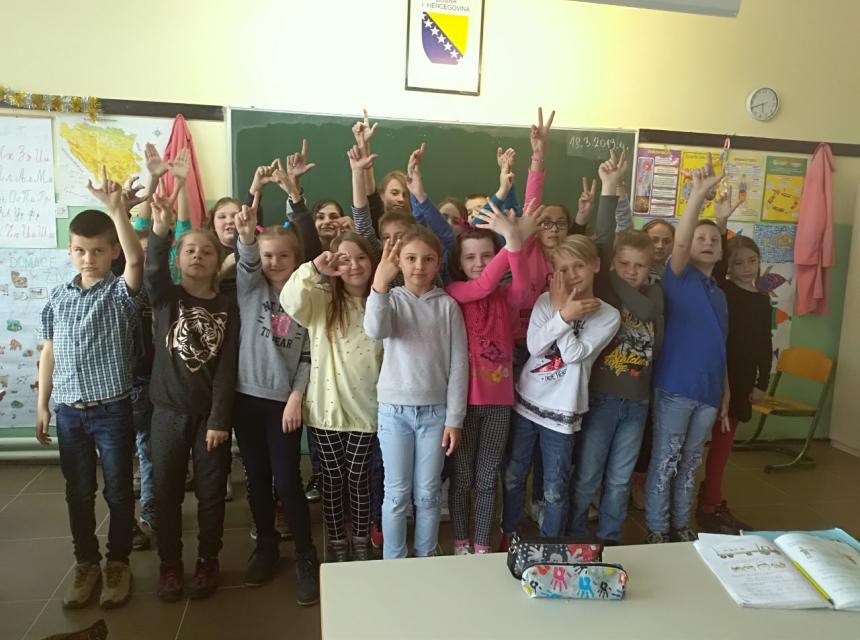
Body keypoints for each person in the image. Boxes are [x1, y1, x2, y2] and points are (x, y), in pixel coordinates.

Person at [36, 168, 144, 609]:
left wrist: (117, 211)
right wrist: (42, 405)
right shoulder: (57, 298)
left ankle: (118, 562)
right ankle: (86, 564)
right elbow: (49, 351)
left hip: (112, 410)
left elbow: (136, 262)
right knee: (77, 492)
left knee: (118, 491)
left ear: (112, 251)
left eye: (98, 251)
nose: (88, 259)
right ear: (70, 250)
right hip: (68, 412)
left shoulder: (119, 294)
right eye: (80, 251)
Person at [567, 150, 664, 545]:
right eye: (623, 264)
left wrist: (615, 275)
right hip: (604, 398)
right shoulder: (606, 287)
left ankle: (609, 538)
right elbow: (605, 237)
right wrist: (609, 188)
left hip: (637, 402)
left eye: (639, 266)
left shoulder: (653, 293)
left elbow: (647, 312)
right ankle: (576, 535)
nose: (631, 271)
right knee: (588, 474)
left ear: (650, 266)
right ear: (612, 263)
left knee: (621, 478)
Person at [146, 195, 239, 601]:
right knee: (166, 492)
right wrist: (161, 230)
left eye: (206, 251)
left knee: (211, 492)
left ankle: (207, 560)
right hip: (167, 413)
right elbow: (152, 269)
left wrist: (219, 419)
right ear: (178, 258)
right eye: (190, 250)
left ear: (218, 262)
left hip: (208, 420)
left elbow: (227, 369)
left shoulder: (227, 307)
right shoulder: (166, 298)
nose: (198, 255)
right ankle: (170, 564)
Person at [501, 235, 620, 543]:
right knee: (515, 473)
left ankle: (550, 543)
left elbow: (574, 354)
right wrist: (561, 312)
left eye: (579, 266)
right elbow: (535, 347)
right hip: (527, 403)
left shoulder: (608, 315)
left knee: (555, 487)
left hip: (563, 413)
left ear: (595, 265)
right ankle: (509, 532)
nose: (571, 275)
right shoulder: (546, 301)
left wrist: (562, 314)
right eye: (563, 269)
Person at [232, 203, 321, 603]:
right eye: (268, 256)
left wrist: (296, 397)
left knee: (286, 481)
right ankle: (266, 545)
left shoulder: (305, 298)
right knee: (256, 478)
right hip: (246, 399)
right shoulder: (250, 289)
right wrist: (247, 238)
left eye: (283, 255)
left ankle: (305, 554)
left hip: (283, 403)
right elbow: (248, 261)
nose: (274, 262)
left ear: (296, 259)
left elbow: (309, 356)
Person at [280, 224, 382, 562]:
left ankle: (361, 538)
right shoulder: (321, 300)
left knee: (359, 478)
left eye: (361, 257)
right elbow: (290, 300)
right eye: (344, 259)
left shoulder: (381, 304)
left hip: (367, 411)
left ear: (372, 261)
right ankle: (337, 540)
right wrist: (314, 268)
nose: (354, 265)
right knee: (333, 479)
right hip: (326, 410)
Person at [364, 227, 469, 559]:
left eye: (427, 259)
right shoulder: (391, 299)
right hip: (394, 412)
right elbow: (375, 329)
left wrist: (455, 419)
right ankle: (393, 562)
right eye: (410, 258)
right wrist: (380, 283)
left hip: (436, 414)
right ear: (399, 261)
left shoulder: (447, 306)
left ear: (439, 263)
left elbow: (458, 364)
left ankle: (426, 558)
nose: (419, 266)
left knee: (427, 494)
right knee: (396, 494)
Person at [446, 193, 541, 555]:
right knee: (462, 479)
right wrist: (513, 238)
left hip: (500, 403)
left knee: (487, 479)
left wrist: (515, 241)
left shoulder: (506, 296)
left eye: (486, 255)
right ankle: (461, 542)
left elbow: (523, 289)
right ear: (458, 262)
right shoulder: (456, 291)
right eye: (470, 257)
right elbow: (483, 284)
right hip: (463, 405)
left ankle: (483, 545)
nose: (479, 263)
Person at [646, 154, 729, 544]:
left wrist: (725, 393)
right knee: (666, 461)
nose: (708, 243)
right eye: (701, 238)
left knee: (691, 462)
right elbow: (681, 241)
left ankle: (681, 525)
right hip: (676, 389)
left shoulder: (719, 293)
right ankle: (657, 528)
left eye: (715, 240)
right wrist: (698, 194)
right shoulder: (677, 278)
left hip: (709, 393)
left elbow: (720, 347)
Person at [696, 192, 771, 534]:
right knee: (695, 445)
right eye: (738, 262)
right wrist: (722, 221)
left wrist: (761, 383)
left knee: (722, 449)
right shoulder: (723, 289)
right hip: (715, 377)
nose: (746, 267)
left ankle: (710, 503)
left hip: (741, 384)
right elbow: (716, 265)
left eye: (752, 261)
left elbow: (764, 344)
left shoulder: (762, 299)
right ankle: (700, 500)